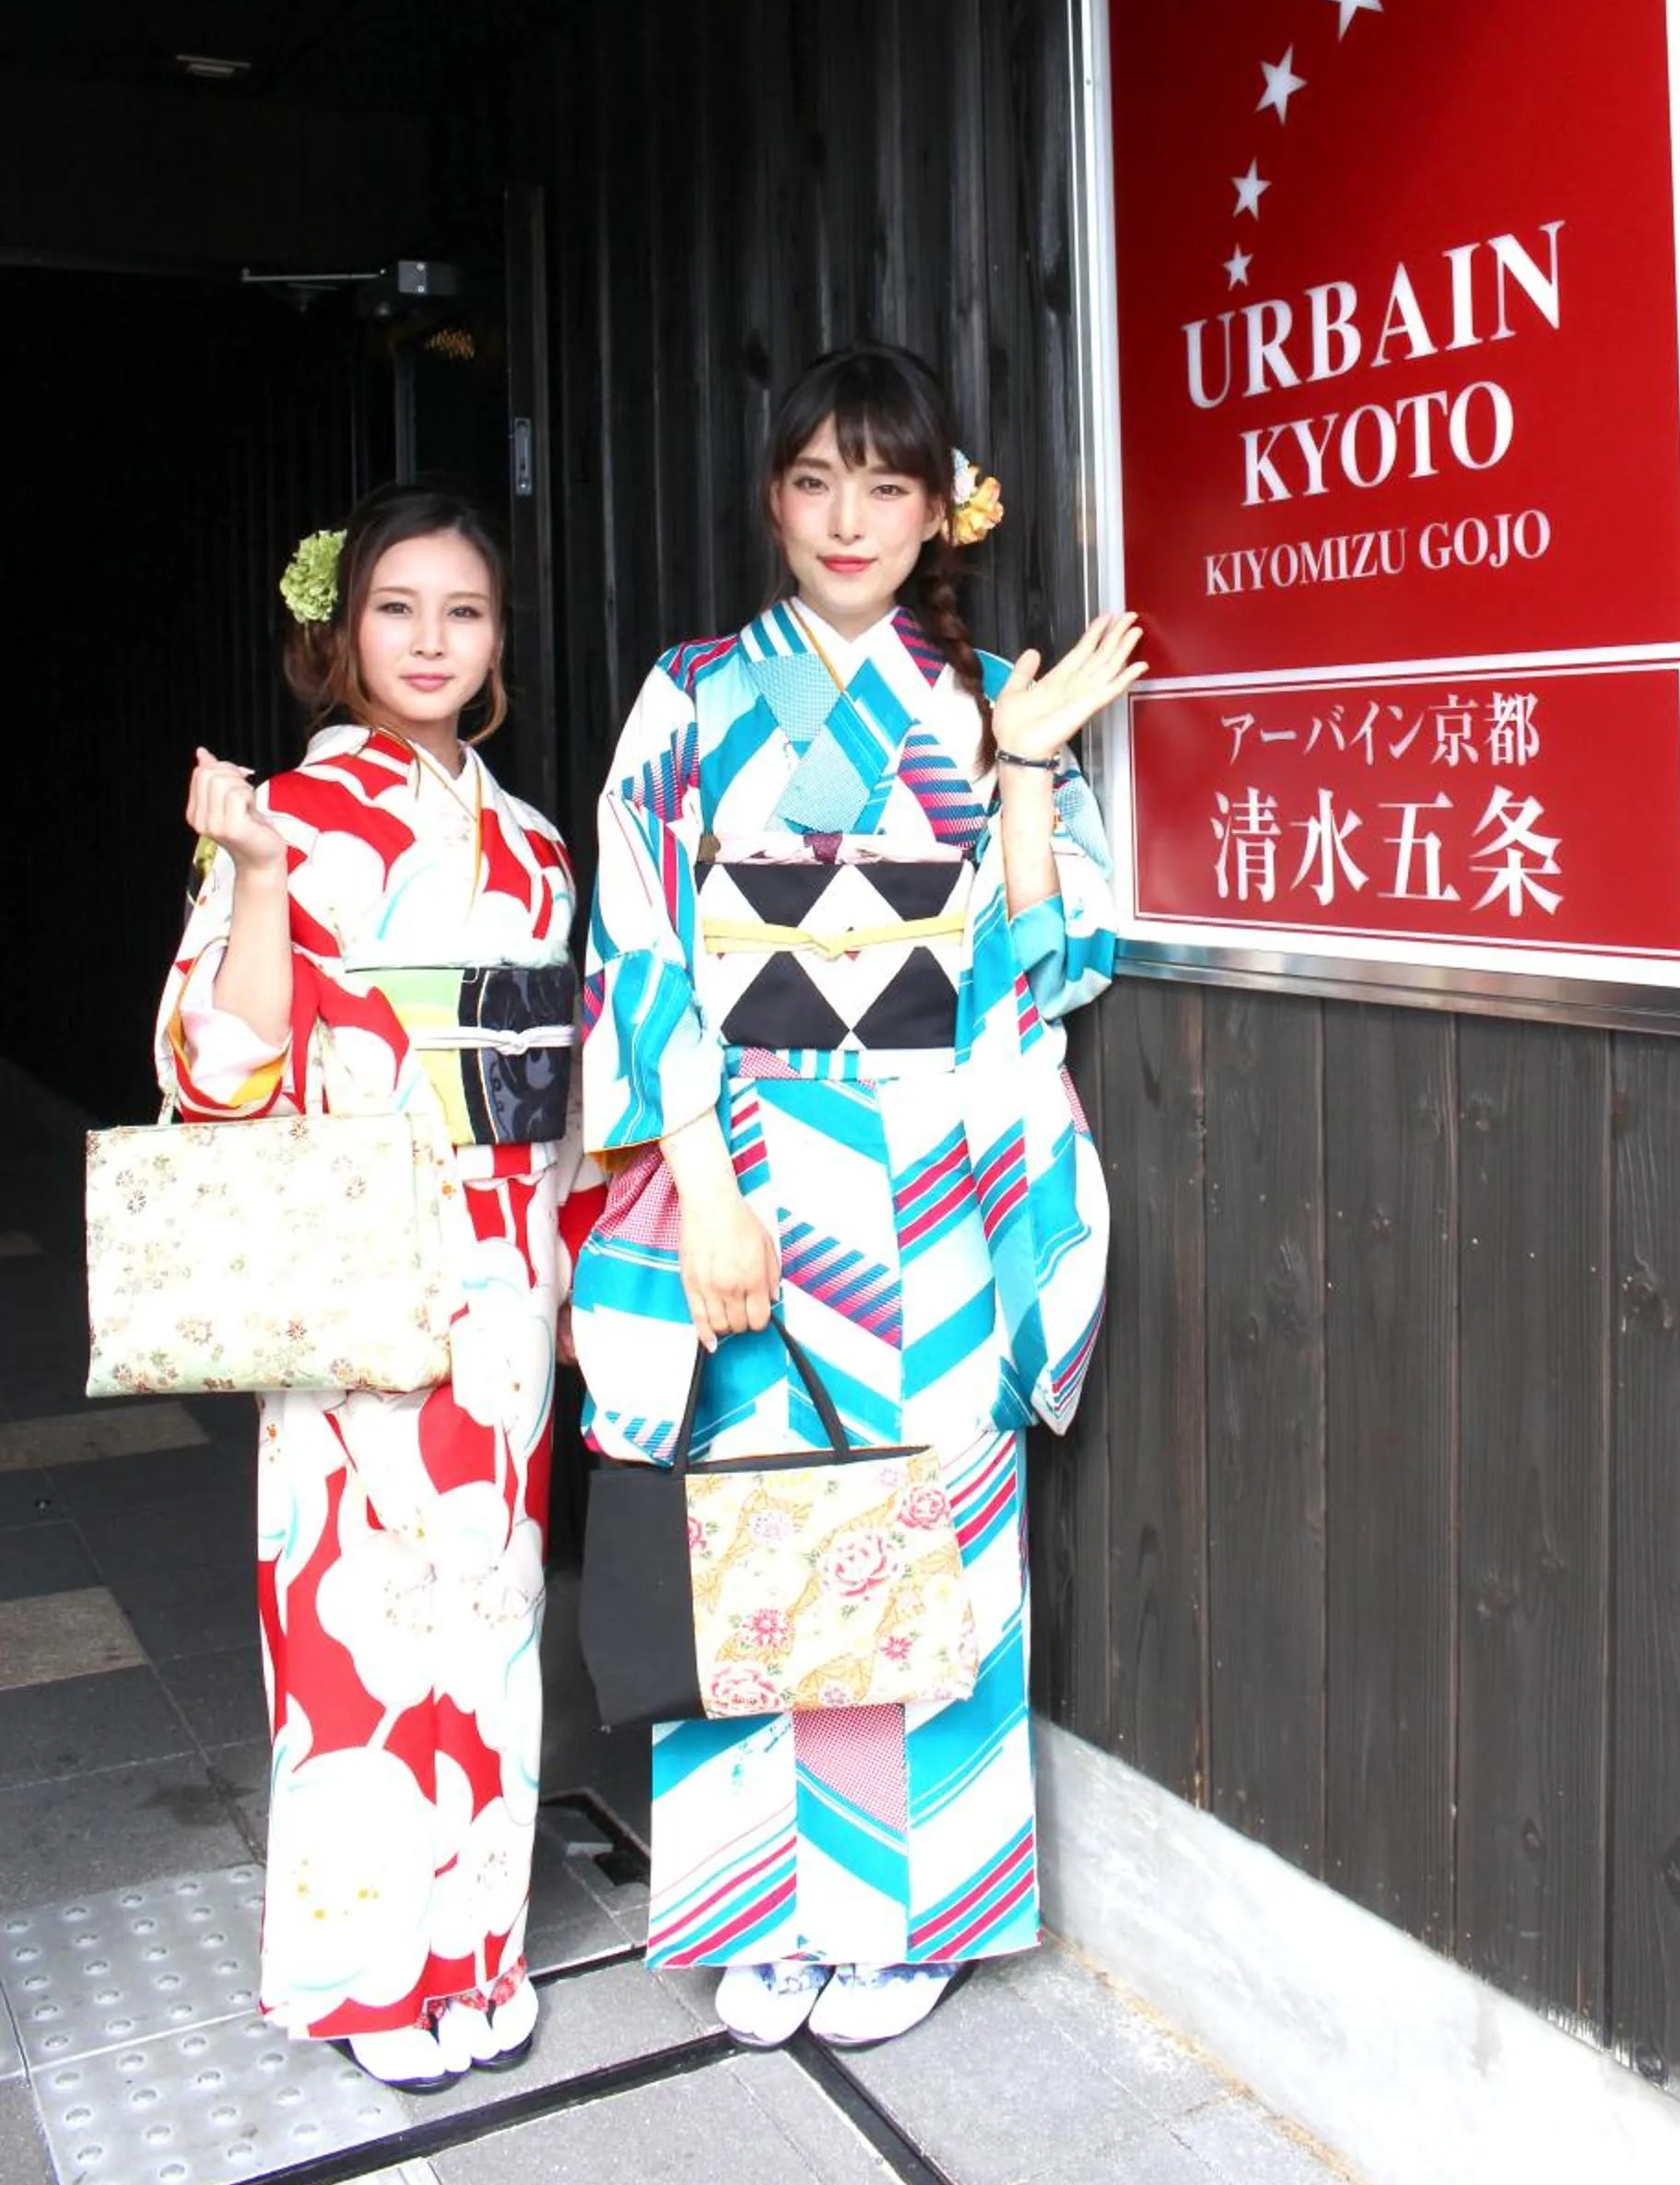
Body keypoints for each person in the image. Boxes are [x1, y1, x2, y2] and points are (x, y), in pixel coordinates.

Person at [571, 342, 1140, 2050]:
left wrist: (1028, 766)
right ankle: (761, 1906)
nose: (846, 518)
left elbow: (1040, 974)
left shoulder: (973, 705)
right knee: (760, 1533)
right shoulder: (687, 695)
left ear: (934, 514)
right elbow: (644, 947)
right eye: (815, 480)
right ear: (774, 497)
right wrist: (706, 1185)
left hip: (939, 1173)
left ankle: (914, 1913)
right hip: (750, 1167)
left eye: (885, 485)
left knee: (938, 1528)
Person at [156, 485, 595, 2092]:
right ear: (342, 630)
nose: (429, 640)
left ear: (495, 644)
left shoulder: (536, 842)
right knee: (352, 1620)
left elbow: (571, 1085)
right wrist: (259, 871)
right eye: (398, 609)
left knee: (489, 1612)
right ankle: (361, 1970)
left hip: (504, 1264)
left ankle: (473, 1948)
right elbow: (224, 1069)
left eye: (463, 612)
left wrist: (576, 1262)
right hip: (358, 1252)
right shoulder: (295, 810)